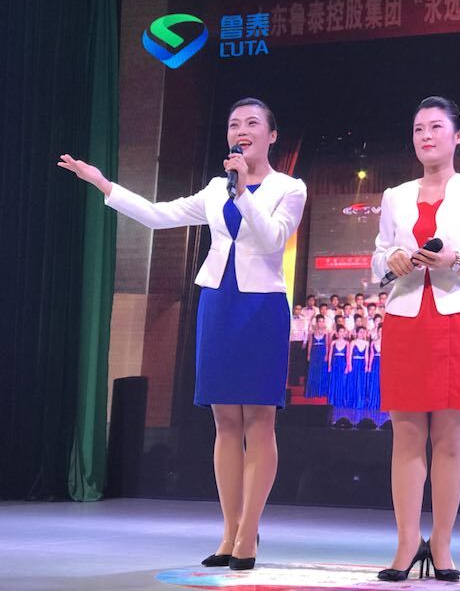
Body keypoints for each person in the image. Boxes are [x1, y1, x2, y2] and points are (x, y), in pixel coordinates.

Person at [59, 97, 306, 570]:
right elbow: (158, 215)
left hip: (261, 308)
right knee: (225, 422)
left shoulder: (289, 188)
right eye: (234, 123)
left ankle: (249, 534)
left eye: (252, 123)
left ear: (272, 135)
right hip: (218, 303)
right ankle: (229, 530)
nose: (242, 130)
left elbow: (274, 238)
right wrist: (104, 183)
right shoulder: (216, 188)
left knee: (259, 420)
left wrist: (243, 192)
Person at [371, 96, 460, 582]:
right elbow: (377, 257)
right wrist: (390, 259)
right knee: (406, 435)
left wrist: (457, 260)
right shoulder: (395, 195)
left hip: (454, 319)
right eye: (418, 129)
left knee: (449, 438)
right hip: (405, 318)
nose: (425, 136)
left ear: (458, 136)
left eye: (435, 127)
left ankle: (443, 545)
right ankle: (407, 544)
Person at [305, 315, 329, 398]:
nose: (321, 323)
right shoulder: (312, 332)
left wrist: (326, 354)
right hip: (314, 353)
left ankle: (321, 391)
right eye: (319, 321)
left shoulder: (326, 332)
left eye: (322, 321)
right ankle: (312, 391)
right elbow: (310, 344)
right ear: (317, 322)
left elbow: (327, 344)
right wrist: (308, 354)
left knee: (322, 371)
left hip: (322, 352)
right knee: (313, 371)